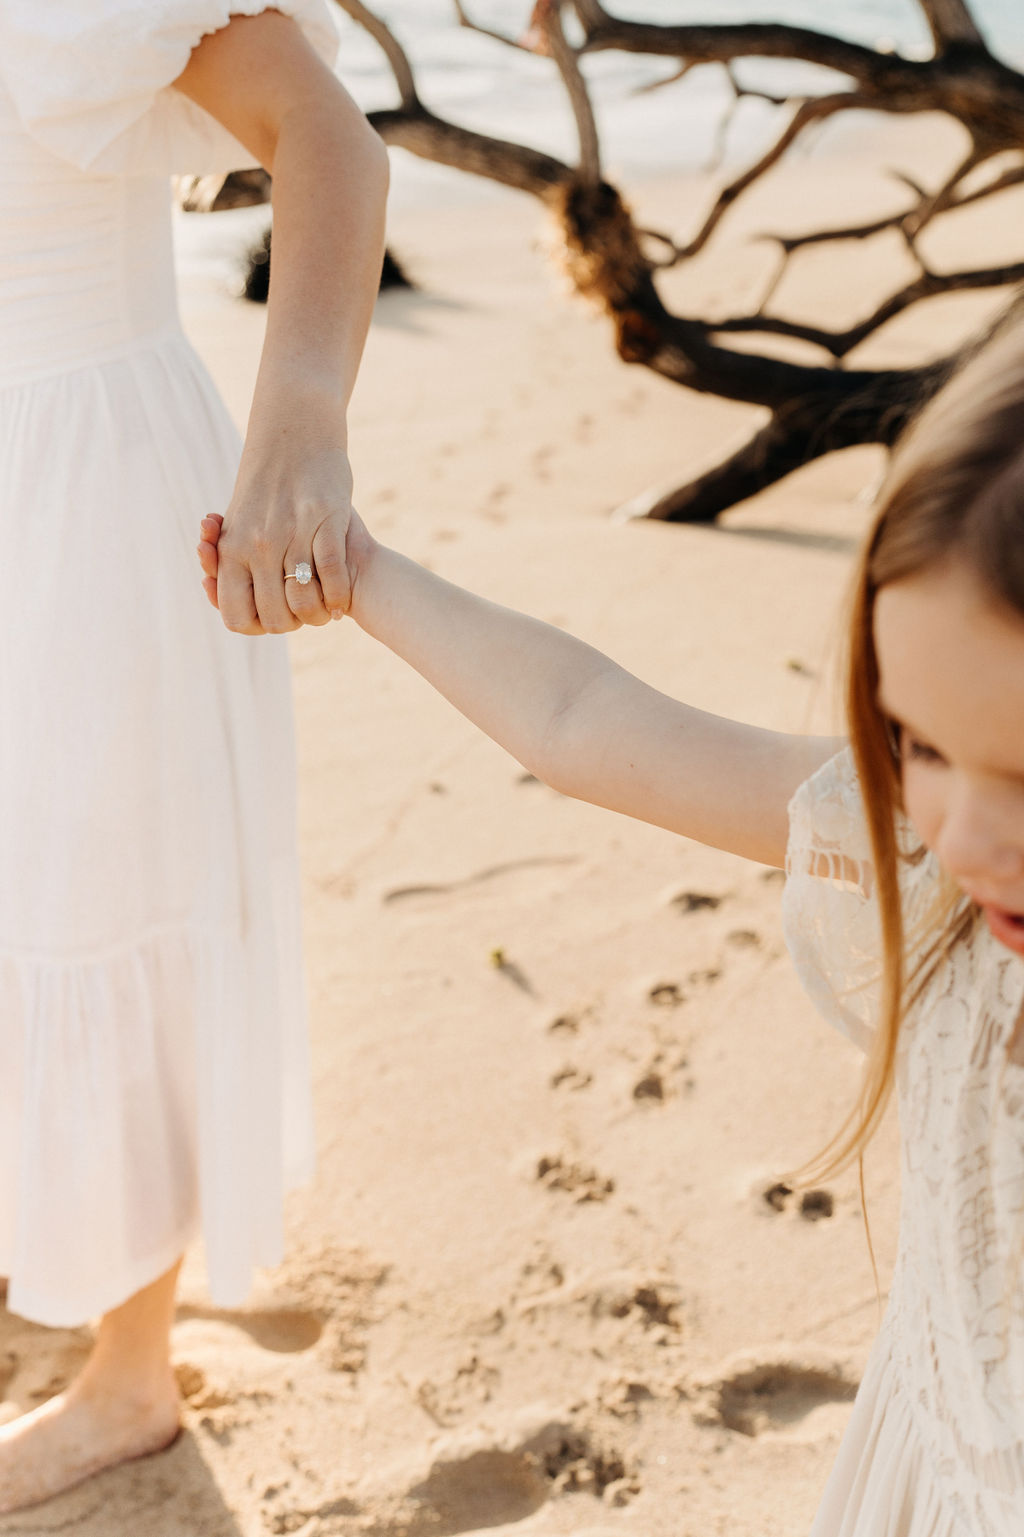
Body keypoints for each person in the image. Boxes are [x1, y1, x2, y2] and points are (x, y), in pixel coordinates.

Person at [200, 320, 1024, 1534]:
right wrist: (360, 574)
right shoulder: (927, 864)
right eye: (921, 741)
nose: (957, 829)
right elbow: (585, 722)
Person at [0, 0, 387, 1514]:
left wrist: (302, 413)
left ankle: (129, 1373)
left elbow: (329, 142)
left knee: (101, 908)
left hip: (77, 491)